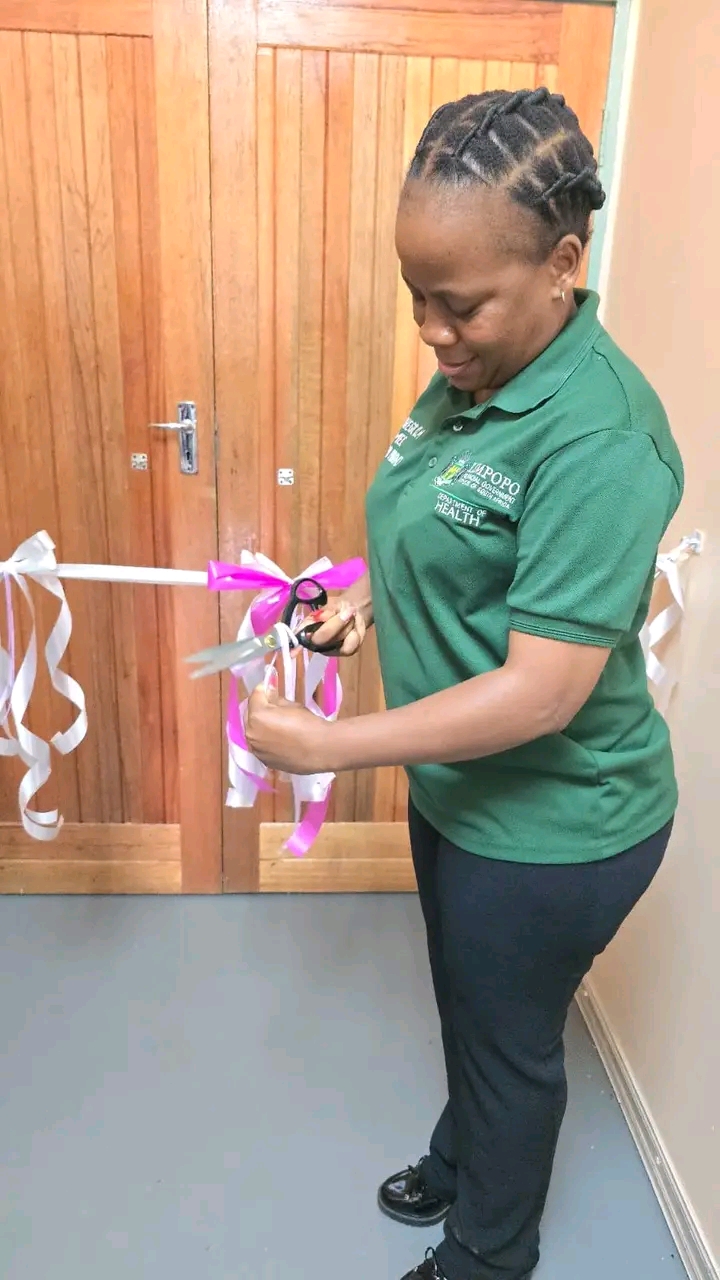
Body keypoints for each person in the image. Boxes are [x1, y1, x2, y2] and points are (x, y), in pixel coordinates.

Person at [245, 87, 683, 1280]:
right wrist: (366, 596)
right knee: (470, 1004)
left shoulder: (600, 437)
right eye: (418, 296)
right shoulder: (480, 369)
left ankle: (488, 1252)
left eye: (461, 302)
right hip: (461, 793)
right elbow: (445, 527)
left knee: (510, 1042)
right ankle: (461, 1155)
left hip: (558, 820)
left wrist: (329, 748)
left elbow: (543, 692)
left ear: (563, 264)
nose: (433, 333)